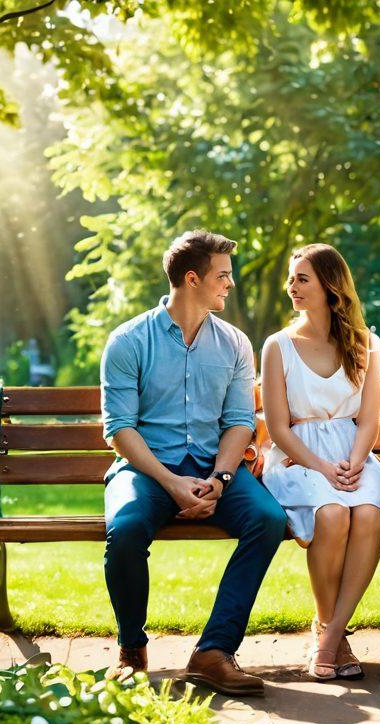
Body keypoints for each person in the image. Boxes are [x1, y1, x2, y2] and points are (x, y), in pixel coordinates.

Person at [100, 230, 288, 697]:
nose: (229, 284)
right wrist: (170, 482)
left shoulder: (235, 344)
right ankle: (131, 650)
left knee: (268, 520)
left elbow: (240, 421)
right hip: (147, 471)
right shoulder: (128, 341)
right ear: (191, 279)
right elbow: (120, 429)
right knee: (125, 530)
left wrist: (222, 479)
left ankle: (213, 652)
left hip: (213, 470)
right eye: (222, 276)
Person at [261, 244, 380, 681]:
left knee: (370, 515)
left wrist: (355, 463)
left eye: (303, 279)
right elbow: (277, 428)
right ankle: (330, 633)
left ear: (330, 287)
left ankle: (331, 635)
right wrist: (322, 467)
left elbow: (369, 420)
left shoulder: (366, 345)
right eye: (291, 278)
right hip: (298, 456)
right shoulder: (278, 346)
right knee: (333, 515)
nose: (292, 287)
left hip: (352, 452)